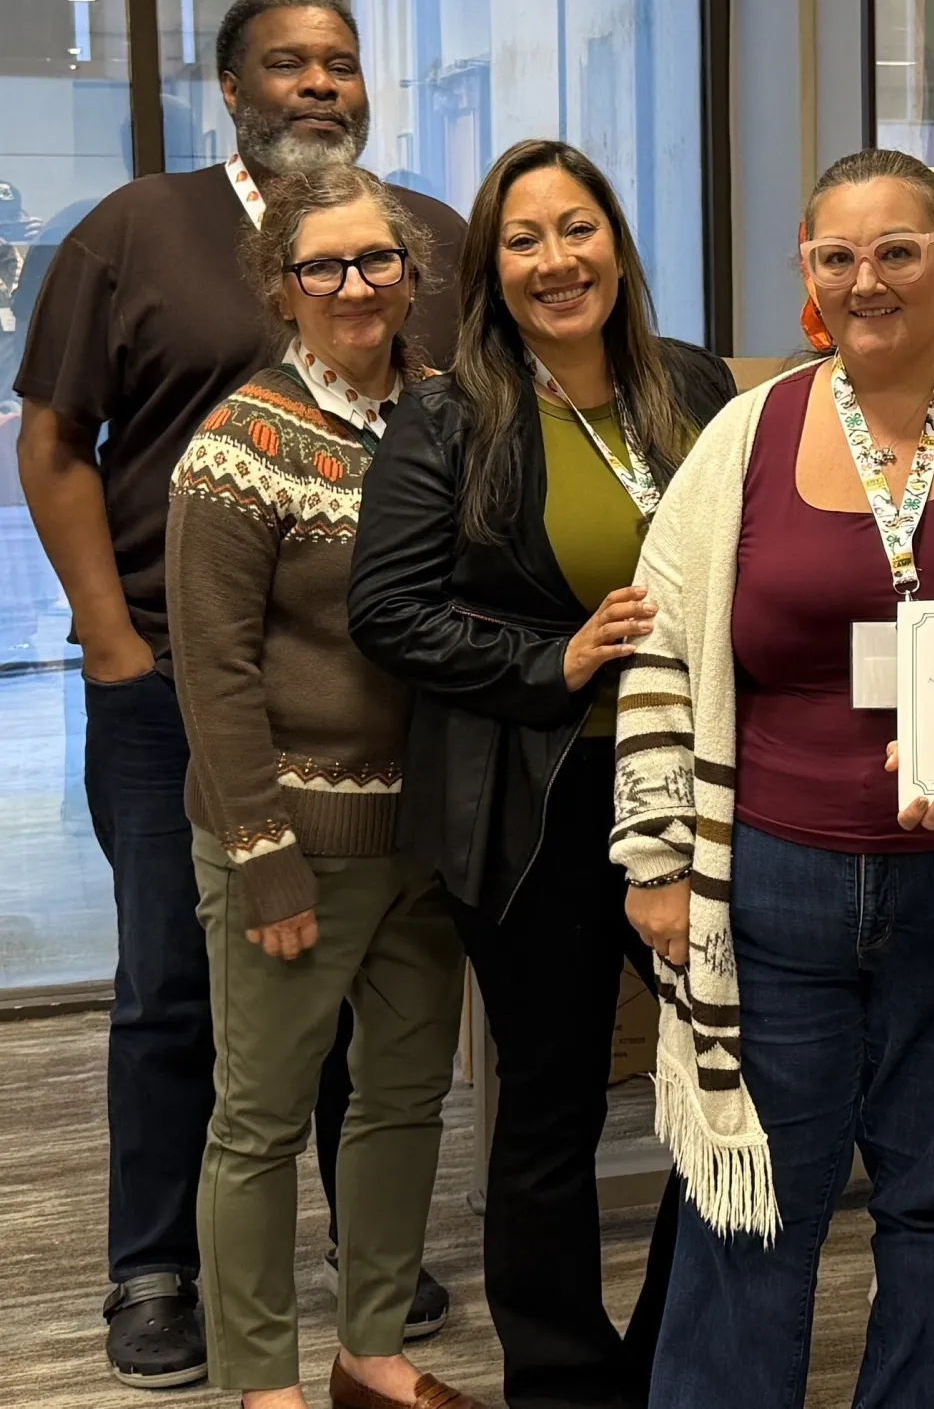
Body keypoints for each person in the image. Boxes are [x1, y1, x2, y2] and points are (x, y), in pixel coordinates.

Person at [11, 0, 465, 1388]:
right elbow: (54, 440)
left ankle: (357, 1282)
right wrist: (112, 639)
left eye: (339, 61)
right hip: (178, 679)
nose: (318, 83)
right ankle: (158, 1266)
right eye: (287, 64)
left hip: (388, 707)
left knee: (358, 1013)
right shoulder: (134, 231)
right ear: (233, 88)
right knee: (174, 988)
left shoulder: (425, 237)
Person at [613, 150, 934, 1409]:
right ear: (806, 272)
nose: (866, 280)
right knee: (753, 1199)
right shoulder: (746, 437)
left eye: (897, 251)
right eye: (837, 256)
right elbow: (660, 643)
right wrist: (657, 859)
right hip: (778, 886)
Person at [348, 139, 734, 1409]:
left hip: (692, 786)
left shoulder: (689, 386)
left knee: (741, 1077)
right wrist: (554, 656)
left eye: (578, 230)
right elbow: (390, 611)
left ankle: (674, 1351)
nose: (556, 260)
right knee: (553, 1103)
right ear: (489, 268)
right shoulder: (448, 412)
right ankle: (568, 1386)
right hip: (537, 805)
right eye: (524, 240)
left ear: (615, 243)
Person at [168, 166, 482, 1409]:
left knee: (405, 1100)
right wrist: (261, 851)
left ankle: (370, 1352)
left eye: (377, 262)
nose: (356, 287)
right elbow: (213, 667)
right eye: (324, 266)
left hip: (428, 834)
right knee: (260, 1121)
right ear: (281, 286)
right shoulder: (239, 444)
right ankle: (261, 1382)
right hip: (294, 841)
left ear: (412, 274)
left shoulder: (453, 413)